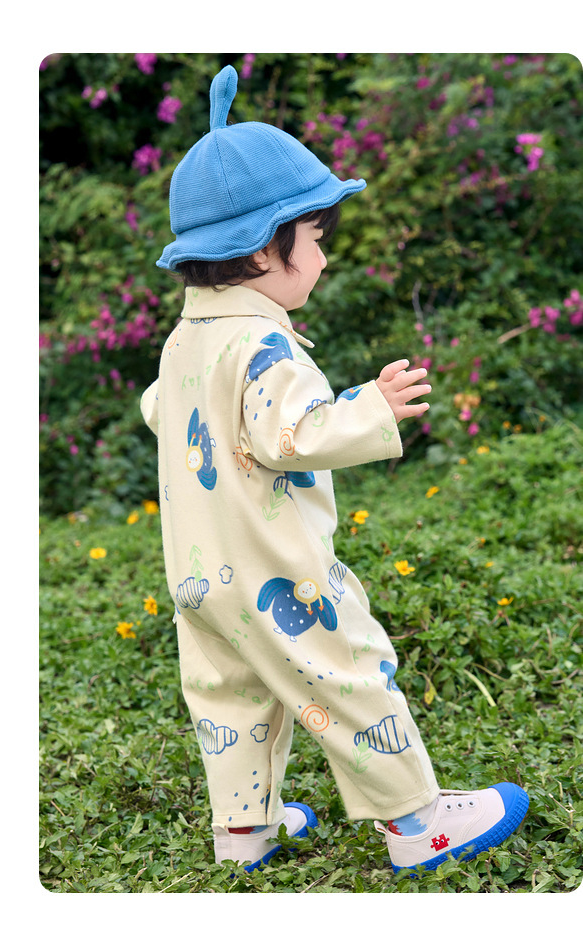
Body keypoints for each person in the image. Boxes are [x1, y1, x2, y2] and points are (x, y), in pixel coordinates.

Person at [140, 64, 528, 876]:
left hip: (199, 579)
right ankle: (419, 824)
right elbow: (293, 434)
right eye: (315, 237)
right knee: (348, 676)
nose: (322, 255)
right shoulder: (261, 342)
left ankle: (244, 833)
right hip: (277, 577)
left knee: (229, 695)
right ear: (262, 248)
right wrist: (371, 404)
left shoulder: (185, 340)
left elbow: (160, 411)